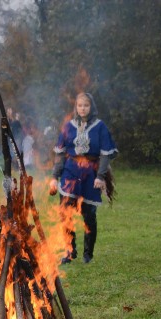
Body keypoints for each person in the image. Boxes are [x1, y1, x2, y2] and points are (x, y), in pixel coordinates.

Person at [49, 92, 117, 264]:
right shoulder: (69, 126)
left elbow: (105, 154)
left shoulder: (100, 127)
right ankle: (69, 252)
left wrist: (100, 177)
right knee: (65, 215)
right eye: (80, 105)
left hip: (90, 176)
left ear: (91, 107)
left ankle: (88, 255)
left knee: (89, 216)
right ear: (76, 107)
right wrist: (54, 177)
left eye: (86, 105)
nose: (83, 108)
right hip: (70, 174)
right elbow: (60, 154)